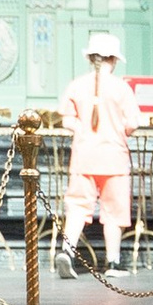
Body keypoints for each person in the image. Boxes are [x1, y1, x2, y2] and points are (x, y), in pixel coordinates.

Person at [59, 33, 138, 271]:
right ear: (113, 60)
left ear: (90, 58)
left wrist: (83, 129)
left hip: (84, 157)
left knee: (77, 207)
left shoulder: (76, 85)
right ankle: (112, 262)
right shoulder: (121, 88)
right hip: (113, 158)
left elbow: (66, 120)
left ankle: (66, 251)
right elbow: (132, 123)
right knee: (114, 212)